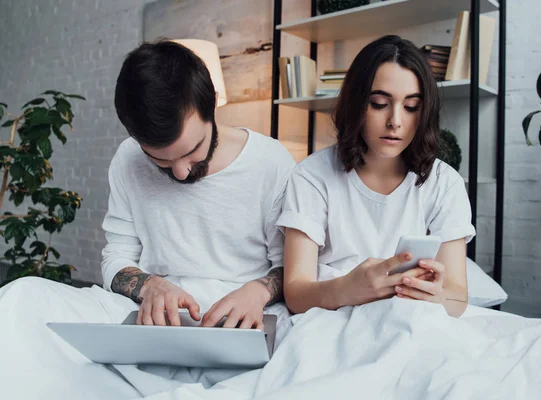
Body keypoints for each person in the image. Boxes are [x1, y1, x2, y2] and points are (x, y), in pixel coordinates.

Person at [0, 40, 295, 398]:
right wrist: (149, 285)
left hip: (239, 317)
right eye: (161, 161)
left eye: (191, 151)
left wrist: (257, 291)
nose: (182, 173)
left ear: (211, 108)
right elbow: (116, 257)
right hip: (149, 312)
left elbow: (291, 269)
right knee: (21, 297)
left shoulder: (270, 161)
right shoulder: (127, 159)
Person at [278, 35, 475, 318]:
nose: (395, 121)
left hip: (414, 320)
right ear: (356, 103)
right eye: (380, 103)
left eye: (411, 107)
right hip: (332, 319)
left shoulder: (444, 183)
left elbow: (458, 300)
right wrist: (348, 288)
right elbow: (295, 294)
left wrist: (437, 296)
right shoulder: (312, 176)